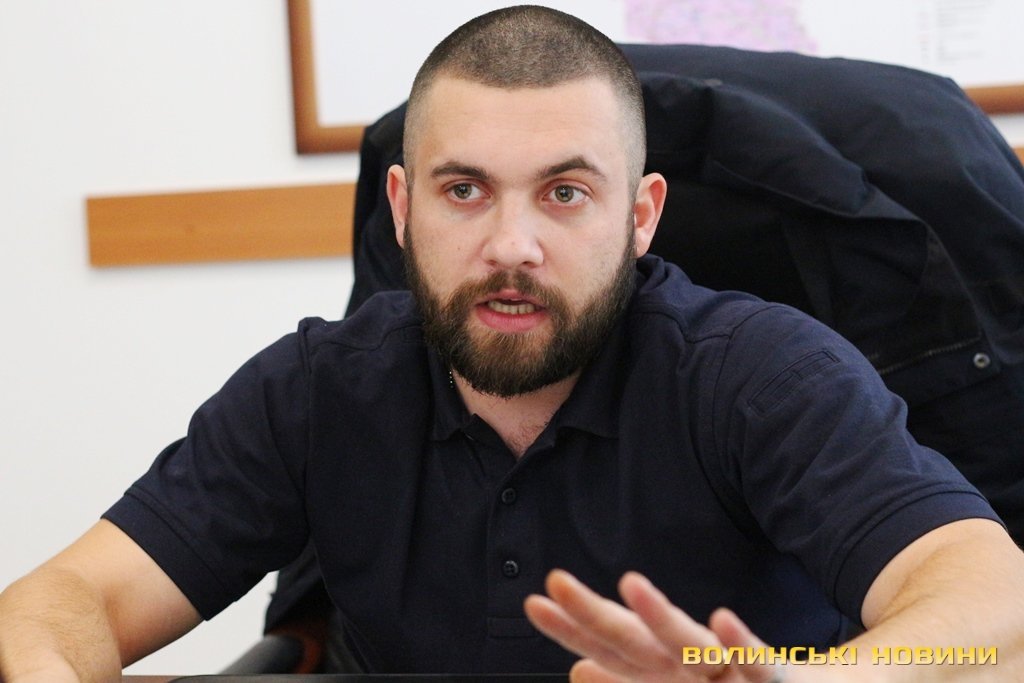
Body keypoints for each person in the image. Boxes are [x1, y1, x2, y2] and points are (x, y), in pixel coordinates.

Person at [1, 5, 1023, 682]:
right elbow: (64, 600)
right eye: (464, 190)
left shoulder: (762, 373)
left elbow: (991, 598)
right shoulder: (316, 389)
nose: (510, 246)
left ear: (640, 215)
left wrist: (815, 676)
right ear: (402, 208)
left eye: (565, 192)